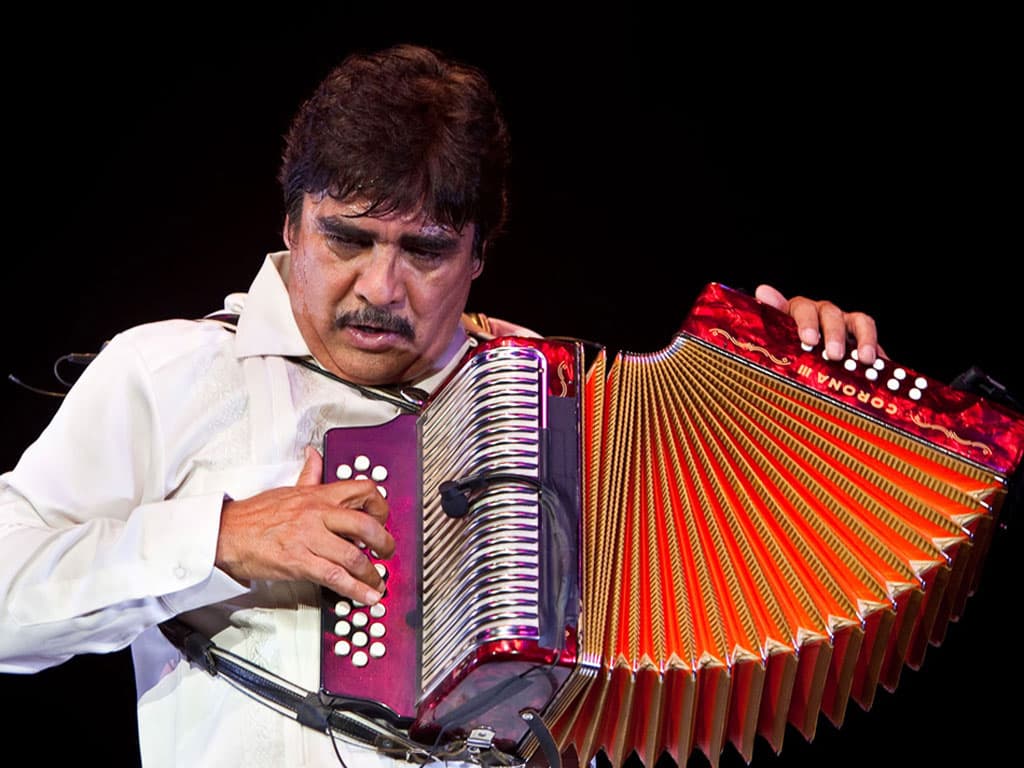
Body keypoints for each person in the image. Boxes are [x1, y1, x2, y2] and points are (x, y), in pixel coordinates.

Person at [0, 44, 885, 768]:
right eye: (347, 238)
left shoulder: (555, 400)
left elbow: (732, 550)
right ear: (290, 225)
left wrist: (805, 387)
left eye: (424, 252)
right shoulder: (171, 370)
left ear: (478, 255)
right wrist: (220, 538)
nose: (380, 287)